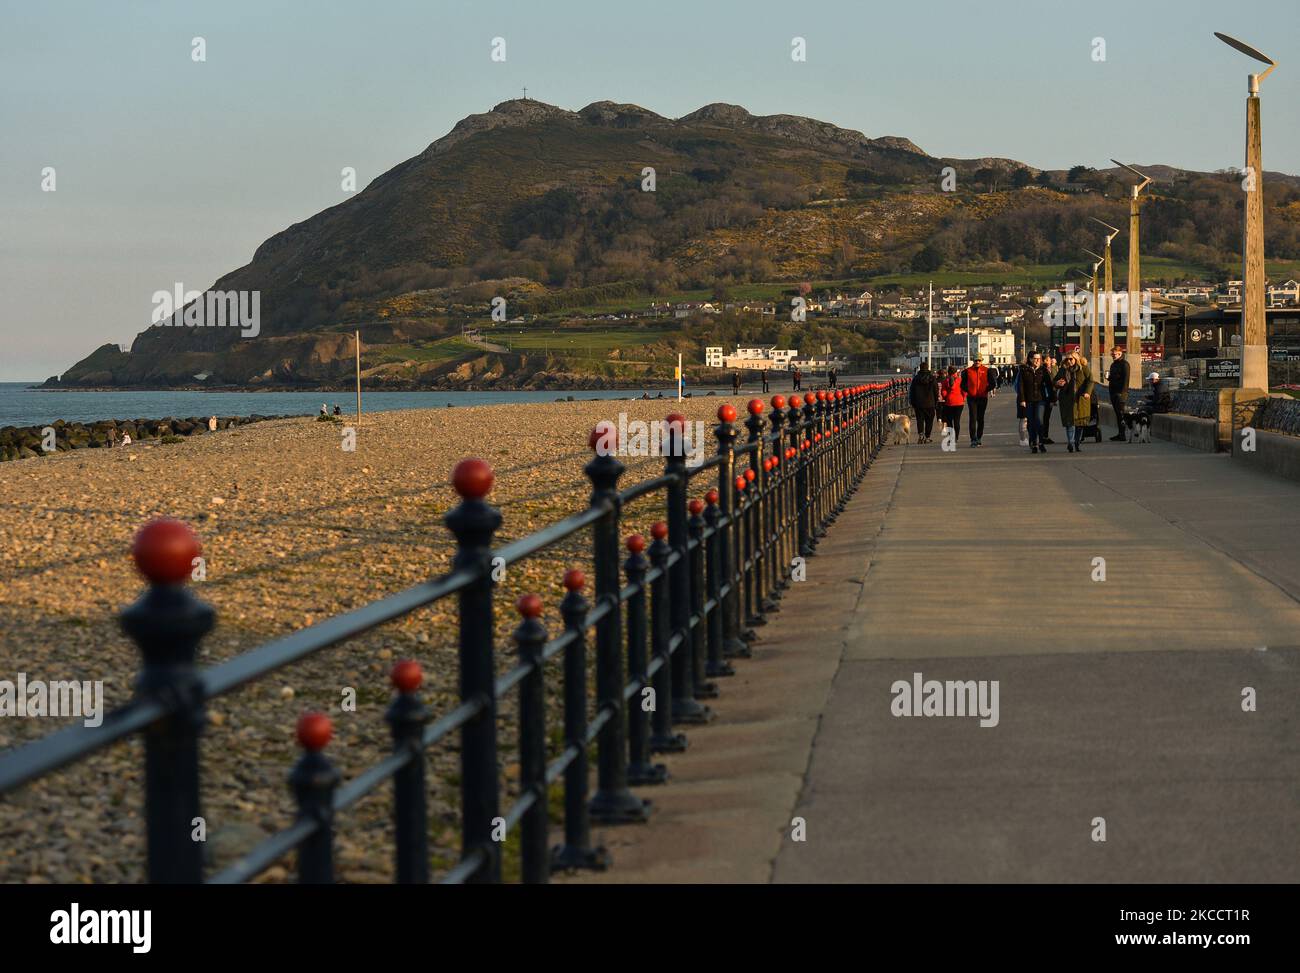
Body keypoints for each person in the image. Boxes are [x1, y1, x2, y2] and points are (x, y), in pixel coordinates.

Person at [1053, 350, 1094, 453]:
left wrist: (1087, 392)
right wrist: (1058, 383)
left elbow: (1090, 380)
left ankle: (1077, 443)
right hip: (1067, 399)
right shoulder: (1063, 369)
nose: (1069, 361)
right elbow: (1054, 381)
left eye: (1071, 359)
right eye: (1067, 359)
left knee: (1080, 422)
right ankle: (1070, 442)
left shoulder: (1083, 368)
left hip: (1080, 399)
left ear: (1076, 359)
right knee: (1069, 422)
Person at [1018, 351, 1051, 453]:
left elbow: (1049, 385)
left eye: (1039, 359)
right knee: (1031, 423)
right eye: (1035, 358)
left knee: (1039, 420)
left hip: (1040, 399)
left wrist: (1052, 399)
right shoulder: (1024, 370)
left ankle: (1041, 442)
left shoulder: (1043, 370)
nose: (1037, 361)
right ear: (1030, 359)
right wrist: (1022, 399)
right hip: (1029, 400)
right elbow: (1021, 386)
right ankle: (1033, 442)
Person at [960, 353, 993, 447]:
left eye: (979, 360)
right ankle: (973, 439)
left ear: (981, 361)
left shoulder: (987, 370)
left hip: (982, 398)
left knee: (980, 418)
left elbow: (993, 383)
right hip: (972, 398)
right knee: (973, 418)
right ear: (973, 361)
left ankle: (979, 437)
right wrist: (969, 390)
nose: (977, 362)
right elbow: (962, 385)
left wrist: (986, 390)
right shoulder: (967, 371)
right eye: (975, 360)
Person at [909, 361, 940, 443]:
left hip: (918, 403)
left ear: (920, 368)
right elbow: (936, 391)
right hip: (930, 403)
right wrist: (936, 401)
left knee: (920, 420)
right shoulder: (932, 378)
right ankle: (927, 436)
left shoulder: (916, 378)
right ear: (927, 368)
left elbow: (912, 391)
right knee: (929, 421)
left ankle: (921, 435)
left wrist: (912, 401)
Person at [1106, 346, 1129, 441]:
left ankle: (1123, 434)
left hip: (1120, 393)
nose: (1112, 356)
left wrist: (1122, 392)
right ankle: (1120, 433)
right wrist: (1109, 378)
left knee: (1121, 414)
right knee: (1117, 414)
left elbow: (1126, 380)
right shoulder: (1113, 364)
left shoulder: (1125, 364)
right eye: (1112, 354)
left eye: (1114, 354)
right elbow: (1113, 378)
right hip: (1113, 391)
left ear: (1120, 353)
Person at [941, 364, 966, 441]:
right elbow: (964, 391)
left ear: (948, 373)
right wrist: (963, 398)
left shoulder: (945, 381)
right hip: (959, 402)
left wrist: (946, 396)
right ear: (956, 372)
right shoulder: (960, 380)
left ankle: (951, 436)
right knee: (957, 421)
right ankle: (956, 437)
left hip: (949, 403)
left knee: (949, 421)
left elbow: (943, 392)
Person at [1041, 356, 1058, 444]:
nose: (1050, 361)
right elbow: (1050, 384)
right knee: (1044, 418)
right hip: (1046, 397)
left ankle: (1045, 436)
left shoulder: (1050, 369)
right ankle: (1043, 437)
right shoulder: (1044, 370)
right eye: (1048, 360)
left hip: (1049, 396)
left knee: (1046, 418)